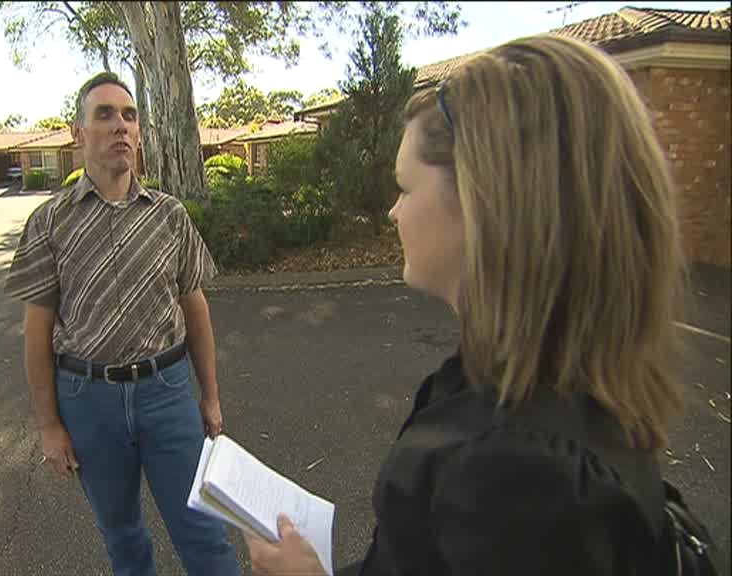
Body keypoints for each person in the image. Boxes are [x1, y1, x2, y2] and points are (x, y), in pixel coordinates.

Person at [244, 33, 688, 576]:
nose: (393, 212)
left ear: (481, 204)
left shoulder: (521, 479)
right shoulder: (538, 391)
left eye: (405, 187)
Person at [4, 72, 240, 576]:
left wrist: (211, 395)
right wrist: (49, 425)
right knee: (124, 540)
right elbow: (36, 332)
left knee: (205, 534)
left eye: (130, 116)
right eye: (105, 115)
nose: (121, 126)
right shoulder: (49, 223)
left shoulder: (169, 216)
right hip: (89, 402)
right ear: (79, 133)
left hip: (167, 392)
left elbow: (195, 307)